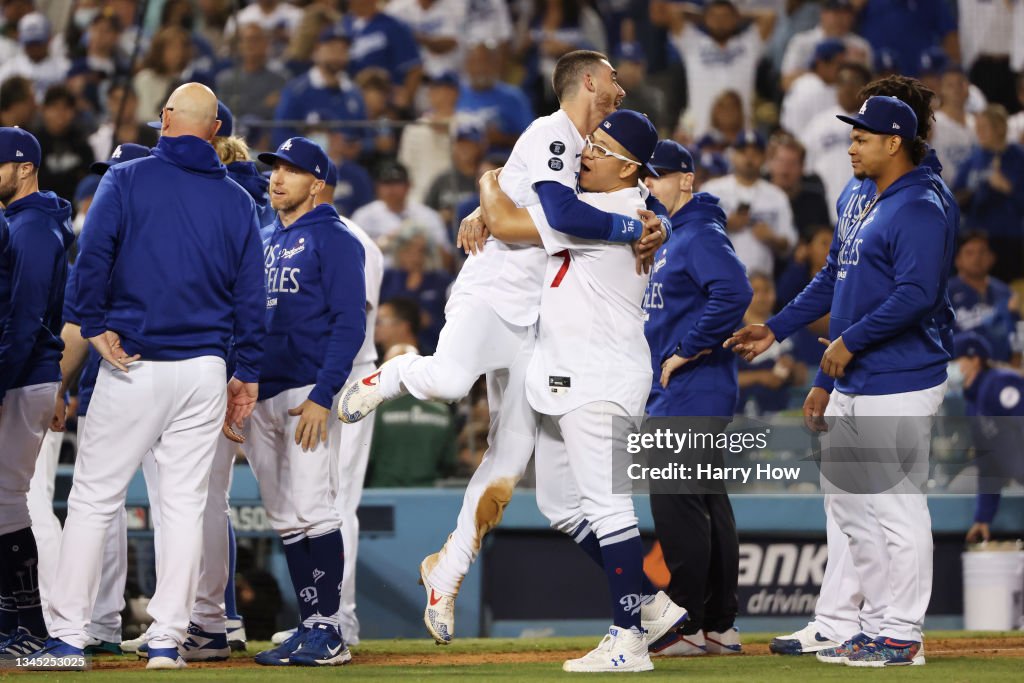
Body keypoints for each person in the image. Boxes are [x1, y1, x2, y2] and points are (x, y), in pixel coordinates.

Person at [338, 51, 672, 647]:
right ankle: (388, 376)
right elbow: (554, 212)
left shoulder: (596, 151)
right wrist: (489, 191)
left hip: (540, 319)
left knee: (509, 463)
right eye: (614, 77)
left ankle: (447, 572)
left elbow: (638, 192)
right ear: (590, 81)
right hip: (494, 291)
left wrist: (659, 220)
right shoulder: (555, 132)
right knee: (444, 381)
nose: (623, 86)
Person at [29, 83, 266, 671]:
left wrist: (95, 323)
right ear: (214, 131)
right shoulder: (238, 200)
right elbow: (251, 299)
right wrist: (248, 374)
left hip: (134, 364)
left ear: (164, 120)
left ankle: (68, 639)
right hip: (205, 371)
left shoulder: (126, 179)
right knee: (184, 506)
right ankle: (166, 640)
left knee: (92, 499)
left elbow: (90, 261)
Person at [727, 93, 957, 667]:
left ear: (893, 142)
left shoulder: (921, 205)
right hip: (853, 375)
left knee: (896, 506)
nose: (849, 146)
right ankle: (872, 623)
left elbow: (916, 293)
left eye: (860, 137)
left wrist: (850, 342)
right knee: (851, 507)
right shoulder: (859, 193)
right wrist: (778, 329)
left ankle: (903, 633)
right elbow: (836, 275)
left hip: (902, 375)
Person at [475, 109, 667, 672]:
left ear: (628, 167)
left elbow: (511, 222)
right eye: (588, 144)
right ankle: (650, 606)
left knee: (607, 504)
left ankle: (628, 638)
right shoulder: (615, 208)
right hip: (573, 374)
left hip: (600, 375)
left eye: (600, 149)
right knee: (560, 504)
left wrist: (489, 180)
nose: (585, 153)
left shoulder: (603, 209)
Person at [244, 137, 365, 667]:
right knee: (285, 517)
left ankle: (330, 630)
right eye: (274, 169)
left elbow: (350, 322)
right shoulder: (265, 234)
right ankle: (309, 623)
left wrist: (324, 393)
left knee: (315, 509)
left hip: (304, 393)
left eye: (290, 171)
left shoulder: (335, 237)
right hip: (261, 390)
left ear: (316, 182)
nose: (277, 178)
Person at [29, 143, 152, 659]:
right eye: (105, 174)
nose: (109, 184)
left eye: (119, 175)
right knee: (154, 505)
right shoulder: (115, 239)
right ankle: (107, 620)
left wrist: (57, 383)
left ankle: (67, 620)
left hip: (127, 377)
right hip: (143, 377)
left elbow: (77, 321)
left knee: (87, 502)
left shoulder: (103, 244)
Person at [641, 140, 751, 657]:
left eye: (658, 175)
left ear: (686, 179)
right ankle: (718, 626)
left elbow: (734, 291)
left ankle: (684, 622)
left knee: (679, 504)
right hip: (689, 390)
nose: (649, 182)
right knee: (707, 503)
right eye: (646, 175)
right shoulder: (677, 234)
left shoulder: (700, 232)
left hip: (692, 388)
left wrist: (687, 348)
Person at [0, 127, 75, 659]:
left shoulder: (31, 228)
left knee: (7, 502)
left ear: (23, 167)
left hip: (21, 375)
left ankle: (28, 624)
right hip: (23, 372)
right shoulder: (21, 222)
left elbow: (25, 319)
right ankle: (16, 622)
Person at [955, 332, 1024, 544]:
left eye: (955, 360)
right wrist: (983, 518)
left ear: (975, 360)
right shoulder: (973, 404)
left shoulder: (1000, 382)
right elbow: (988, 466)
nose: (951, 367)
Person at [702, 130, 797, 277]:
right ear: (733, 155)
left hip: (760, 283)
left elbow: (789, 244)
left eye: (755, 153)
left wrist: (773, 239)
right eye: (743, 152)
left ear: (764, 157)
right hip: (717, 278)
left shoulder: (777, 196)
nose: (749, 158)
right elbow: (694, 232)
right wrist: (724, 224)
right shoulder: (711, 189)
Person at [365, 342, 458, 488]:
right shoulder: (442, 411)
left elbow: (366, 458)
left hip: (383, 494)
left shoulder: (376, 410)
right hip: (428, 495)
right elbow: (449, 461)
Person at [953, 105, 1024, 282]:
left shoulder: (1018, 157)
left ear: (1000, 128)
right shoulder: (973, 158)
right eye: (977, 128)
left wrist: (1006, 188)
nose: (979, 133)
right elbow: (955, 195)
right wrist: (971, 195)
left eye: (984, 128)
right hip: (976, 237)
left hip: (1008, 239)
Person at [802, 61, 871, 223]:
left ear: (866, 87)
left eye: (854, 82)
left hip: (867, 213)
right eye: (842, 82)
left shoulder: (876, 125)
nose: (847, 88)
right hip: (825, 211)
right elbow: (806, 170)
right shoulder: (818, 124)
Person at [949, 231, 1019, 364]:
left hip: (1001, 368)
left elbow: (1017, 333)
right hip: (959, 368)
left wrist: (1017, 359)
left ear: (992, 257)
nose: (977, 258)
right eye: (970, 253)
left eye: (982, 252)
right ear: (958, 260)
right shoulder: (946, 294)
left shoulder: (1006, 293)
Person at [780, 0, 871, 91]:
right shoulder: (802, 41)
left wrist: (859, 69)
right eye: (835, 13)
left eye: (845, 13)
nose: (840, 18)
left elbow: (870, 86)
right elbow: (786, 82)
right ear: (823, 13)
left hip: (845, 102)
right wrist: (824, 72)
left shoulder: (860, 45)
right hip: (808, 98)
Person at [780, 39, 845, 138]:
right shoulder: (805, 87)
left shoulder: (838, 87)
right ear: (821, 64)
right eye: (839, 64)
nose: (843, 69)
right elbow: (793, 129)